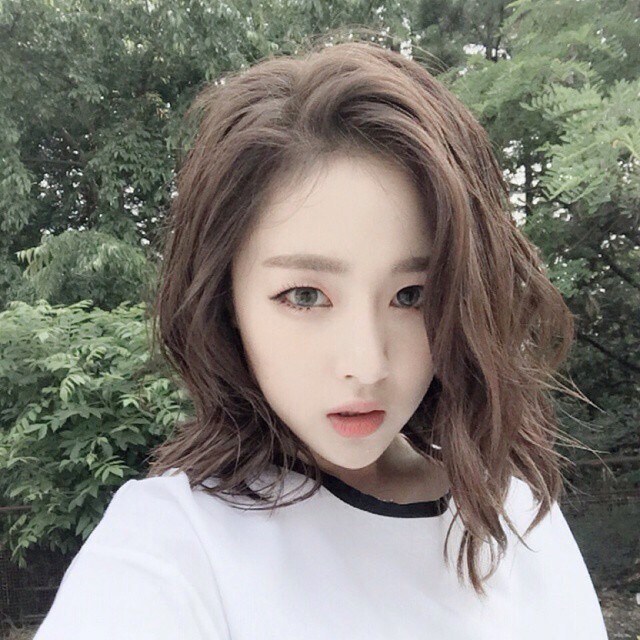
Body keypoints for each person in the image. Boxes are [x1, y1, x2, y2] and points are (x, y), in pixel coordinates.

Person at [33, 37, 609, 639]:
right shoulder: (168, 547)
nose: (367, 363)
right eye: (305, 296)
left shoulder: (516, 513)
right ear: (227, 300)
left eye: (412, 295)